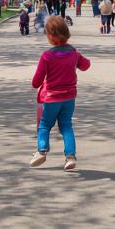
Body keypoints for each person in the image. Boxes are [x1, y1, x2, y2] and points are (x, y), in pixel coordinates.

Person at [29, 15, 91, 171]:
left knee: (44, 125)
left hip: (51, 98)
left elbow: (36, 81)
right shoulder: (73, 53)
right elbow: (86, 65)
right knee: (66, 126)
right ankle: (70, 156)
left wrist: (38, 83)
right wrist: (76, 59)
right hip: (69, 98)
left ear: (50, 36)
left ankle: (41, 151)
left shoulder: (47, 56)